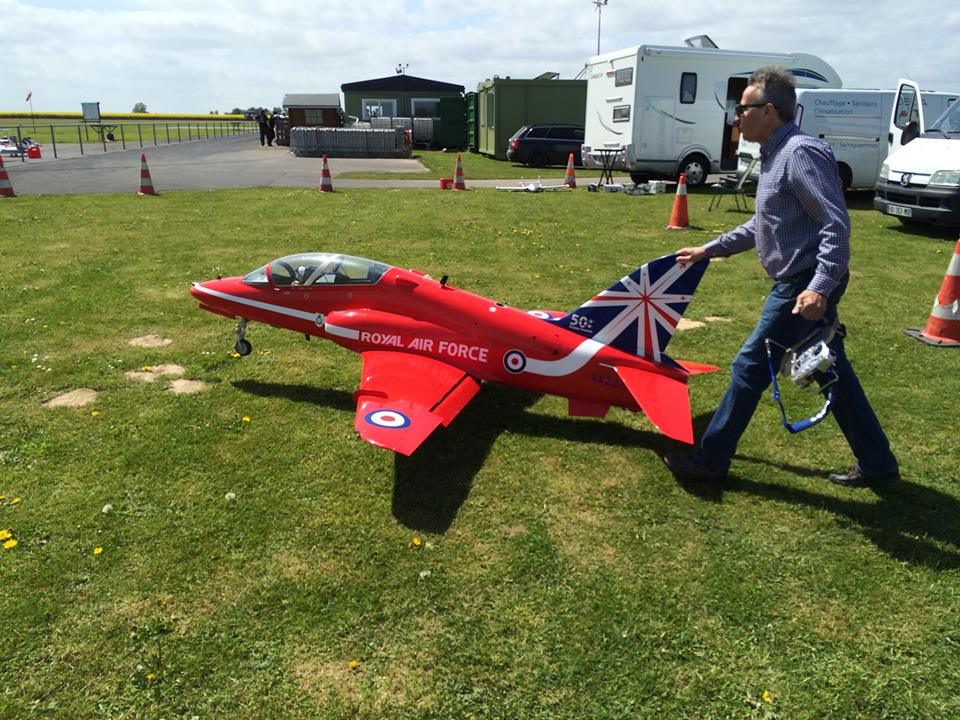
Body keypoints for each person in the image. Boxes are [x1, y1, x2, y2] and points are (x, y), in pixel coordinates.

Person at [664, 66, 899, 488]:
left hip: (802, 283)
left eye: (743, 108)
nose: (737, 117)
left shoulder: (799, 153)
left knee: (749, 366)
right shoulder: (775, 155)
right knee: (830, 368)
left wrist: (819, 287)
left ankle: (710, 461)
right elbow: (764, 224)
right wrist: (709, 249)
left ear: (768, 111)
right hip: (800, 280)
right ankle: (878, 462)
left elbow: (835, 224)